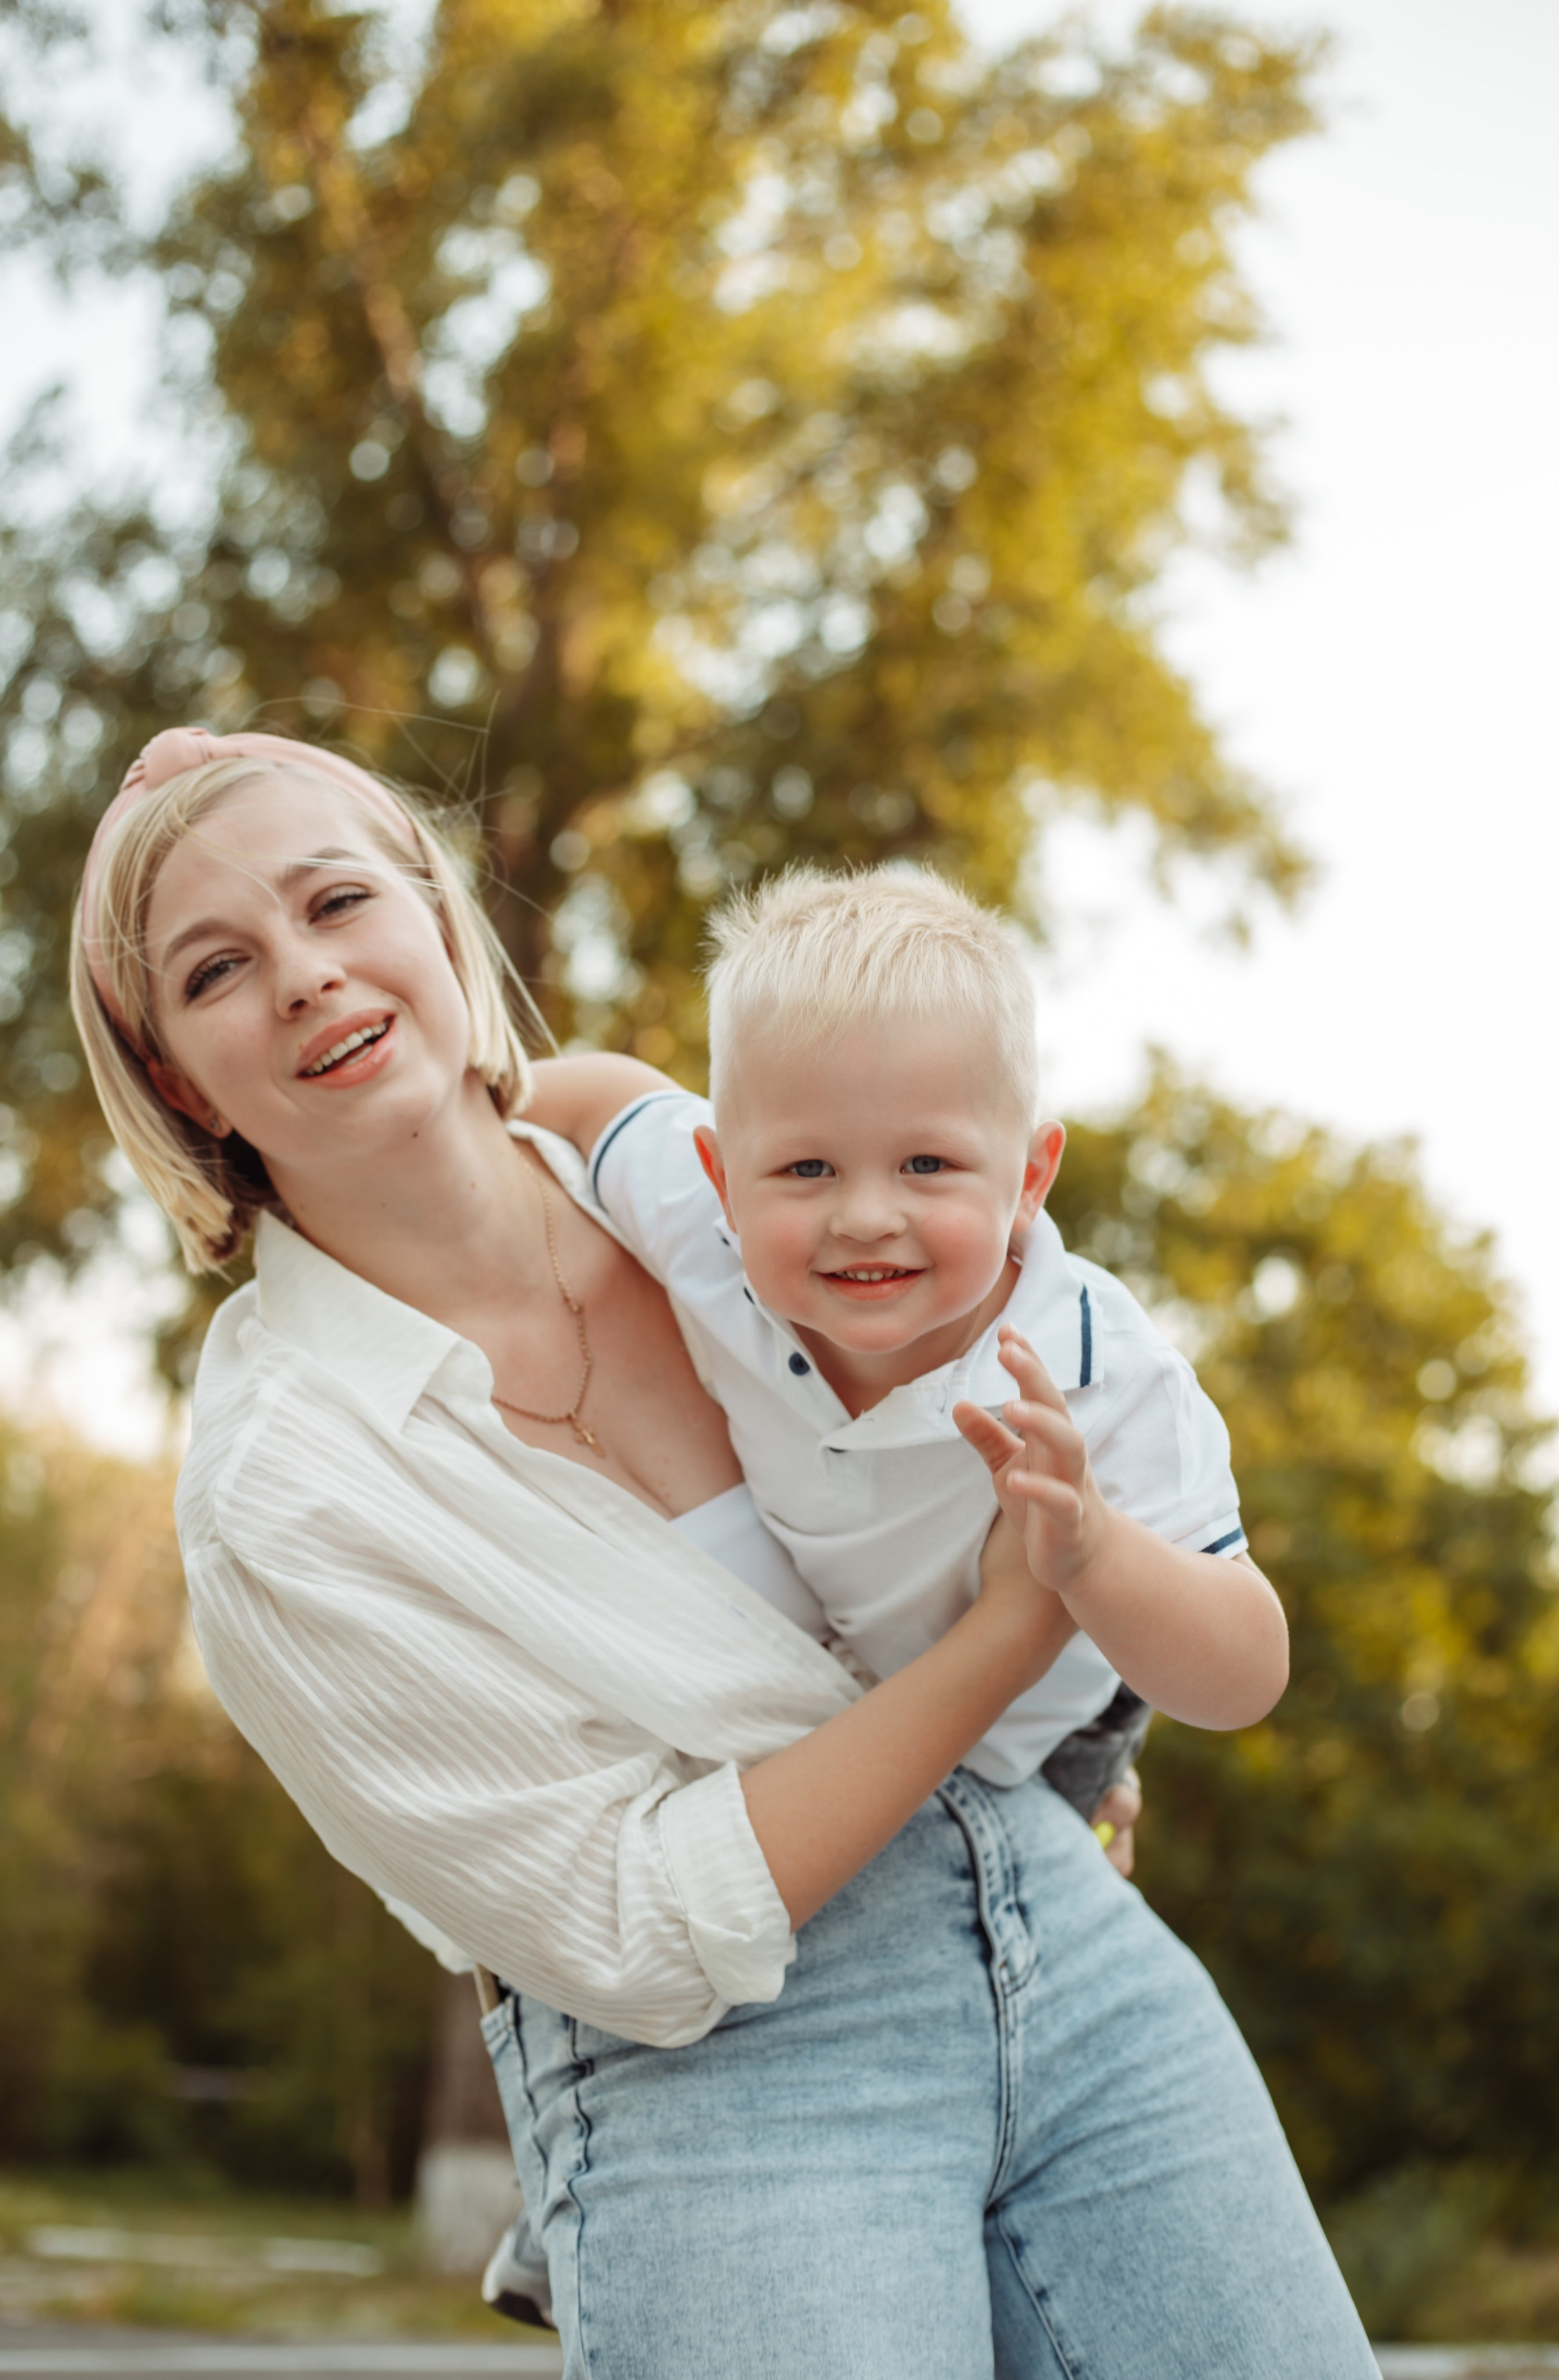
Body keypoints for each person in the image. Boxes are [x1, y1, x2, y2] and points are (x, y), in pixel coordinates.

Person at [69, 725, 1378, 2379]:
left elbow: (946, 1333)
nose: (308, 974)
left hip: (1058, 1927)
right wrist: (1010, 1638)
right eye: (215, 968)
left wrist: (1083, 1712)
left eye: (338, 898)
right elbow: (629, 1926)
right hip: (730, 2056)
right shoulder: (279, 1490)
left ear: (435, 907)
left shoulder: (682, 1171)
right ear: (179, 1078)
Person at [524, 864, 1284, 1821]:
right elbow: (599, 1096)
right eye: (808, 1168)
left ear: (1029, 1179)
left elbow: (1249, 1673)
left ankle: (1103, 1812)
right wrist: (469, 1102)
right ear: (720, 1179)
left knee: (1067, 1824)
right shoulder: (702, 1233)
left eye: (927, 1163)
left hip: (1040, 1738)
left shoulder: (1094, 1374)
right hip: (849, 1689)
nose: (867, 1217)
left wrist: (1094, 1549)